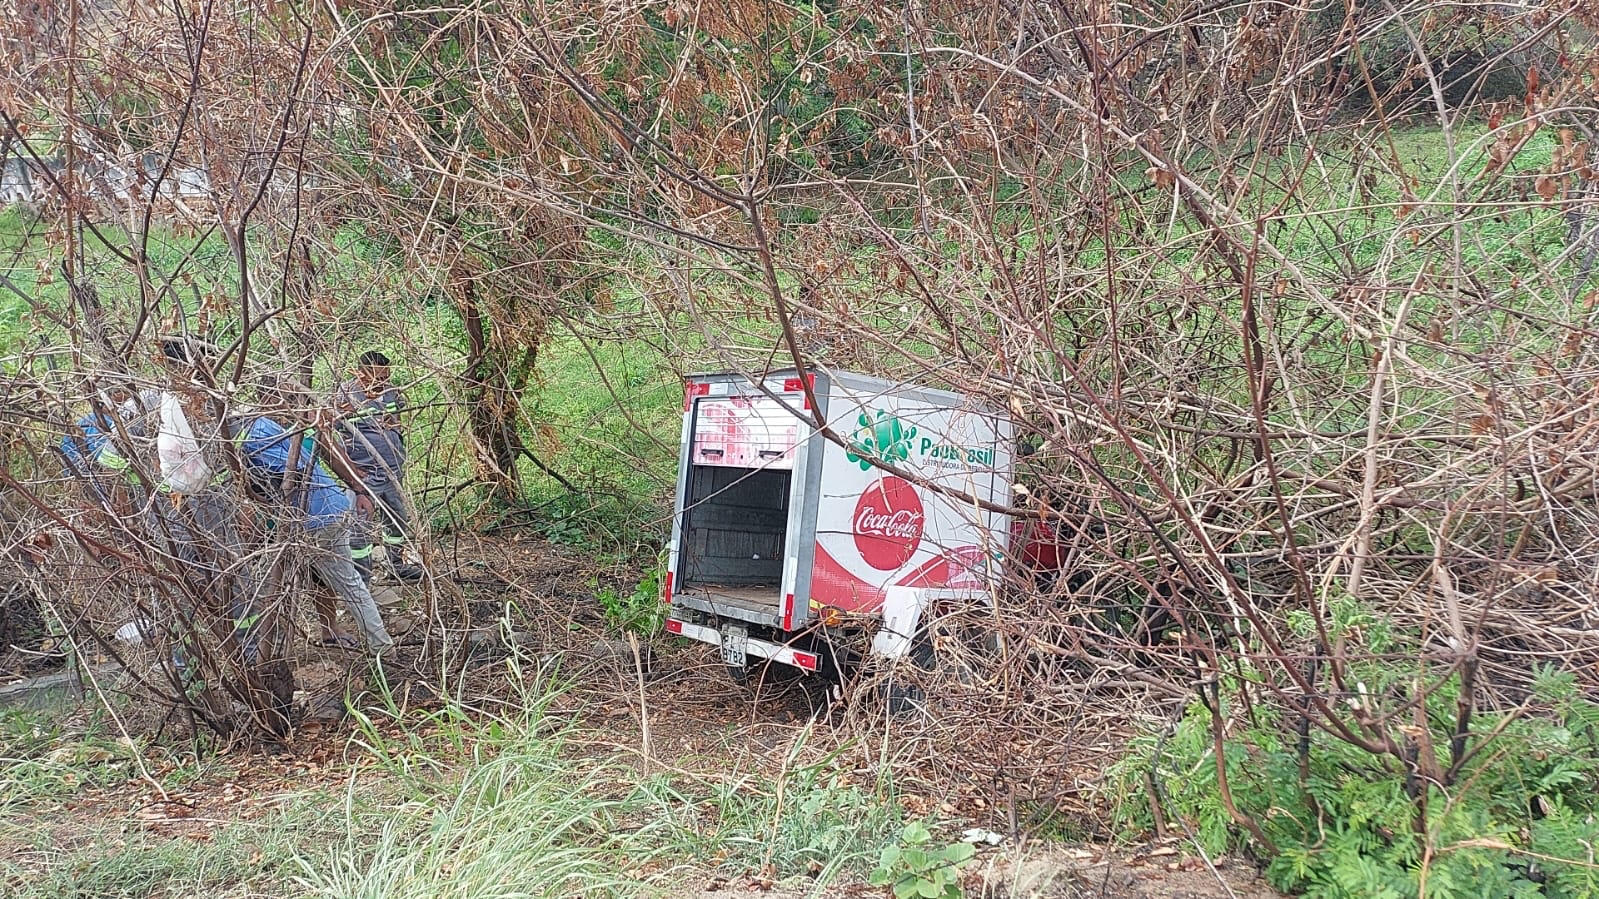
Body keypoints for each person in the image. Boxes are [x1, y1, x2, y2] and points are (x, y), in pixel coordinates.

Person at [229, 397, 394, 655]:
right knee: (315, 578)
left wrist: (255, 496)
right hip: (319, 511)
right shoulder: (262, 425)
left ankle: (382, 648)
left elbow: (294, 472)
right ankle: (294, 643)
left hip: (317, 517)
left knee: (347, 584)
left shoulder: (252, 441)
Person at [332, 351, 421, 584]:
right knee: (360, 527)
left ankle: (396, 566)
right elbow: (329, 435)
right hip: (365, 474)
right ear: (361, 374)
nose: (382, 382)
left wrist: (395, 430)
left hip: (392, 470)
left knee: (397, 519)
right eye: (377, 377)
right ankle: (362, 577)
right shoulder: (345, 395)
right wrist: (351, 471)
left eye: (386, 376)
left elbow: (398, 418)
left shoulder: (391, 393)